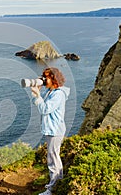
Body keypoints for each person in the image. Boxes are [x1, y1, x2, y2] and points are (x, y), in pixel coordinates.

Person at [31, 67, 70, 195]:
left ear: (53, 79)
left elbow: (45, 109)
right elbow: (39, 104)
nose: (43, 79)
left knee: (52, 159)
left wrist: (37, 95)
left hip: (55, 130)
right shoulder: (50, 92)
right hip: (51, 129)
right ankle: (56, 185)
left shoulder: (58, 94)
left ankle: (52, 189)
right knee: (53, 157)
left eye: (45, 77)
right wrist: (37, 92)